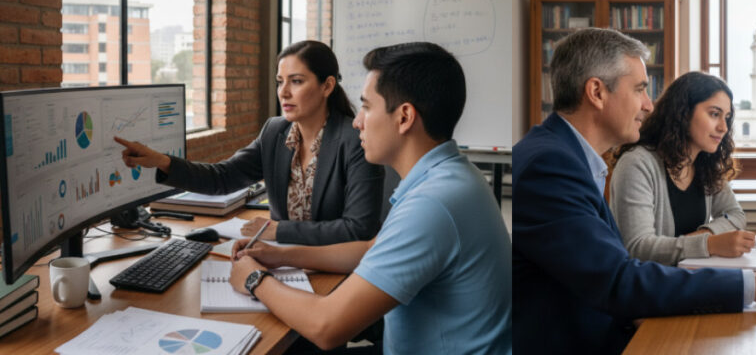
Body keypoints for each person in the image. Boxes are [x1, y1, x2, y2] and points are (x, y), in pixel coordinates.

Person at [512, 28, 756, 355]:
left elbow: (612, 273)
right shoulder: (552, 164)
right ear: (597, 92)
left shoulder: (568, 156)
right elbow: (619, 278)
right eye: (640, 89)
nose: (648, 104)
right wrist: (755, 285)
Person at [227, 42, 511, 354]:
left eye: (366, 107)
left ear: (404, 117)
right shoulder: (449, 176)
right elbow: (368, 251)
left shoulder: (432, 204)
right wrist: (281, 255)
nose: (357, 121)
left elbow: (327, 327)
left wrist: (255, 279)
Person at [116, 40, 383, 245]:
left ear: (327, 86)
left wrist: (278, 230)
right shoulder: (275, 132)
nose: (284, 92)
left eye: (297, 81)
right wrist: (162, 162)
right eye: (280, 82)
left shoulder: (354, 140)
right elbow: (223, 178)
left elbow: (358, 228)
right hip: (282, 260)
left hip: (334, 270)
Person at [609, 71, 755, 266]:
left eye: (726, 117)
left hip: (689, 279)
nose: (723, 127)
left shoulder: (707, 163)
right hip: (652, 288)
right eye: (714, 114)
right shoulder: (637, 164)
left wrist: (705, 235)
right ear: (683, 113)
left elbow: (735, 215)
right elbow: (638, 247)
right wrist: (708, 244)